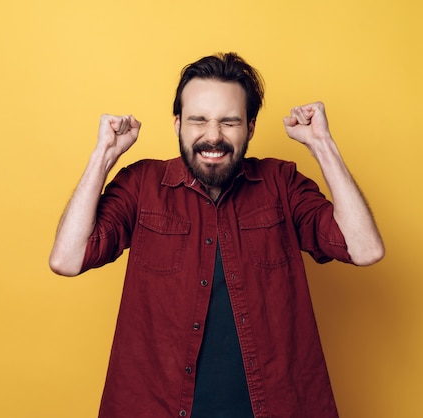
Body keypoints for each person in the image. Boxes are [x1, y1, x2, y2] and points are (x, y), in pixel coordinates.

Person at [49, 52, 384, 418]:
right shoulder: (141, 185)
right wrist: (104, 155)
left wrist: (322, 144)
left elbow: (365, 249)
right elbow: (67, 258)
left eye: (229, 122)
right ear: (177, 124)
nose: (213, 136)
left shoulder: (281, 184)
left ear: (251, 128)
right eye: (198, 120)